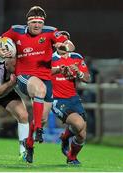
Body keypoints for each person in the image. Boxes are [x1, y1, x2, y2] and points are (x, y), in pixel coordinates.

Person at [0, 6, 75, 163]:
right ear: (28, 23)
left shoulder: (51, 31)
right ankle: (38, 128)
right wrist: (0, 52)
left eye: (40, 22)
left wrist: (63, 47)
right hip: (24, 76)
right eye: (33, 22)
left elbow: (70, 44)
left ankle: (29, 144)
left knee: (43, 117)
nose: (37, 25)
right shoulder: (15, 31)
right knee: (39, 90)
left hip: (46, 77)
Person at [51, 31, 90, 165]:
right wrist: (57, 69)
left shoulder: (76, 57)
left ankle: (71, 156)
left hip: (73, 98)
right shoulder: (50, 58)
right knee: (78, 124)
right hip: (58, 99)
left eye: (64, 41)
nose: (61, 44)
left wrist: (78, 72)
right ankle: (66, 137)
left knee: (82, 134)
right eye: (58, 41)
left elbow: (87, 78)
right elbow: (41, 73)